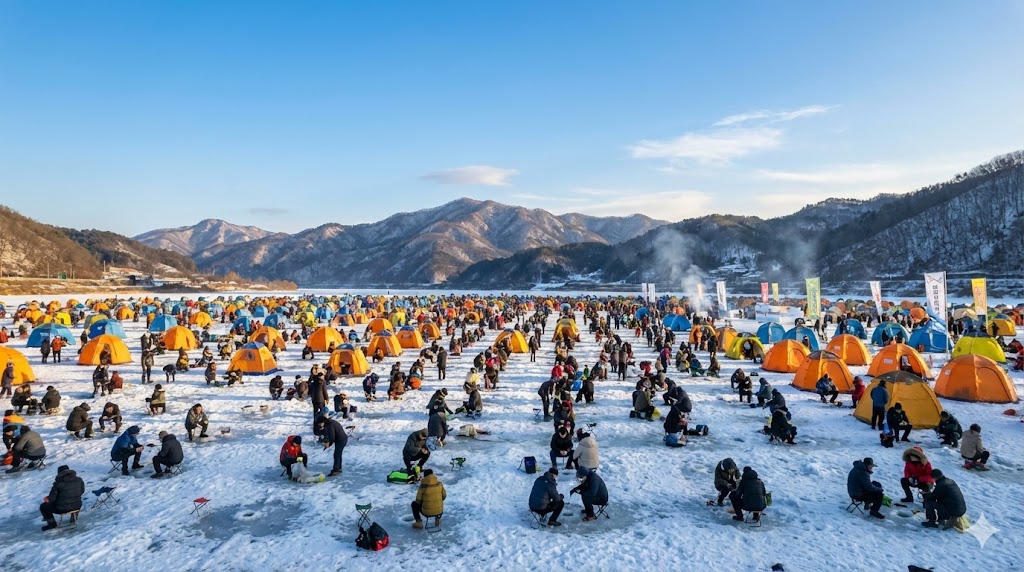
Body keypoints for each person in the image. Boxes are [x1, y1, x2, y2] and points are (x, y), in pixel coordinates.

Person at [39, 465, 84, 531]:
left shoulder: (58, 484)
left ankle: (52, 524)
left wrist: (47, 498)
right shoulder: (79, 480)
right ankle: (73, 519)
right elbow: (82, 491)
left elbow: (52, 499)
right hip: (77, 505)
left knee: (43, 507)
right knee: (74, 500)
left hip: (62, 508)